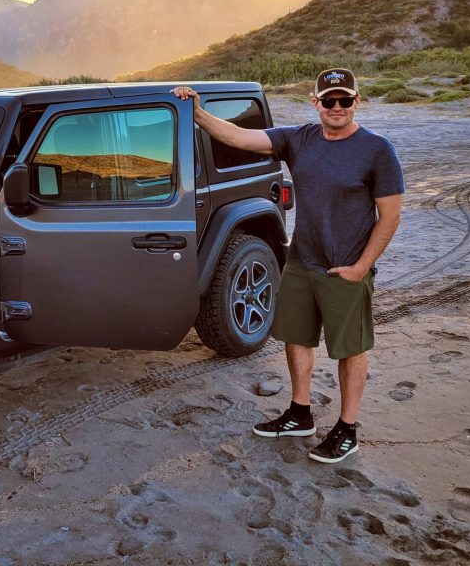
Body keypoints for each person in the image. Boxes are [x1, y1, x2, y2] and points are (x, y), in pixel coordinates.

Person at [172, 68, 403, 463]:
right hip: (300, 262)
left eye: (344, 100)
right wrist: (197, 113)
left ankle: (347, 429)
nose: (336, 107)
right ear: (315, 103)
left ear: (357, 102)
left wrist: (362, 266)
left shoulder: (377, 150)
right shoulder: (299, 138)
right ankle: (300, 413)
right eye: (328, 100)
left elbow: (391, 216)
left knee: (350, 350)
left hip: (346, 268)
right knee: (296, 338)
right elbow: (239, 137)